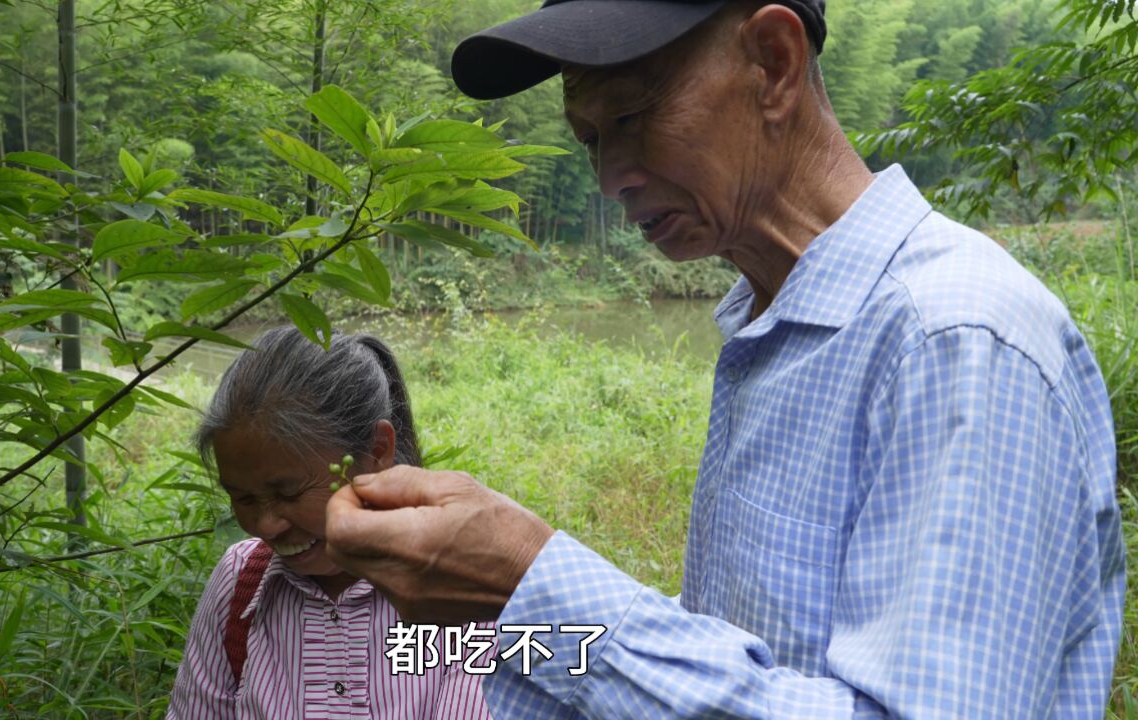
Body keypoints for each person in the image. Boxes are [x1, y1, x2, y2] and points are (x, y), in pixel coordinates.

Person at [323, 0, 1126, 717]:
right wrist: (493, 618)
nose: (609, 179)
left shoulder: (954, 338)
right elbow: (747, 655)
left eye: (633, 117)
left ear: (773, 64)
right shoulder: (774, 327)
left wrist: (532, 583)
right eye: (591, 140)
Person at [166, 327, 491, 719]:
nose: (267, 526)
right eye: (244, 498)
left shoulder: (465, 587)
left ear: (377, 451)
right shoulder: (239, 581)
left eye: (289, 494)